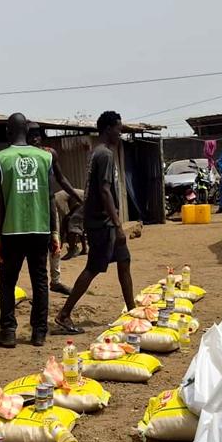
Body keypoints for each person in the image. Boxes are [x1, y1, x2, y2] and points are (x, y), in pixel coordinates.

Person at [54, 111, 134, 334]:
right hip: (103, 223)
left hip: (102, 221)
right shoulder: (105, 155)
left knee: (124, 261)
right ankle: (64, 313)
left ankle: (132, 310)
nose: (120, 133)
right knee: (92, 268)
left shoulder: (99, 153)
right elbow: (105, 191)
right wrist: (118, 225)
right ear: (108, 128)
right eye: (118, 129)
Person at [0, 114, 57, 347]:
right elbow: (50, 198)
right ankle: (39, 332)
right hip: (40, 229)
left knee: (7, 281)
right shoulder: (44, 158)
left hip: (11, 230)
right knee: (40, 280)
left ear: (9, 131)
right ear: (27, 131)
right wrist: (55, 232)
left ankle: (8, 330)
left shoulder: (0, 159)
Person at [29, 122, 82, 294]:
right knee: (34, 245)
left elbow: (61, 178)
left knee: (55, 239)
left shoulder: (50, 154)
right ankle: (40, 283)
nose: (35, 138)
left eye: (38, 134)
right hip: (29, 204)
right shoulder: (21, 155)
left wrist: (75, 195)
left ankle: (56, 280)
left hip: (48, 201)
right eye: (31, 134)